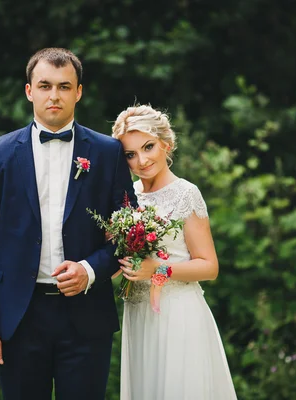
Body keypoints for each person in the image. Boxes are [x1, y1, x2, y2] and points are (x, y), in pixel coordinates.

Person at [0, 48, 136, 400]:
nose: (54, 95)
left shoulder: (108, 153)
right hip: (18, 318)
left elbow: (129, 233)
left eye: (64, 86)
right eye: (44, 85)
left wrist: (90, 270)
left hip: (86, 317)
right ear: (29, 91)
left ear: (78, 92)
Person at [111, 104, 237, 399]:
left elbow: (209, 266)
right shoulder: (129, 197)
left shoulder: (186, 193)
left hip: (178, 315)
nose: (141, 160)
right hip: (139, 314)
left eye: (148, 147)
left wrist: (157, 269)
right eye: (130, 154)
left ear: (165, 144)